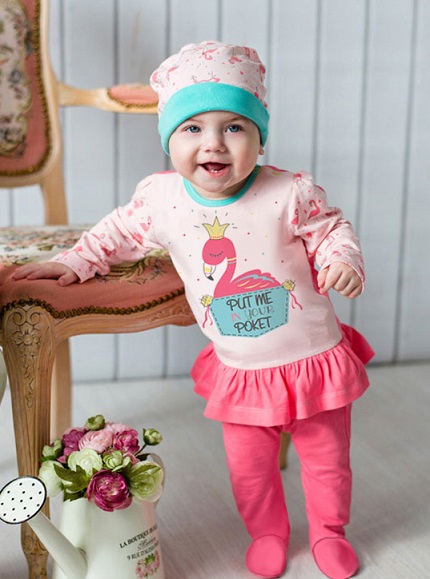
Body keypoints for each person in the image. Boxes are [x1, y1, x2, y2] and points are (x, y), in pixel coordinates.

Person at [14, 41, 374, 579]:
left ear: (259, 137)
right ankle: (268, 532)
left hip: (313, 361)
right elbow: (116, 234)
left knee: (327, 464)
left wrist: (342, 259)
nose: (214, 142)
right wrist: (75, 261)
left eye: (235, 127)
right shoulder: (162, 201)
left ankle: (328, 532)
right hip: (241, 370)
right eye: (192, 128)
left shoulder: (289, 192)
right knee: (249, 470)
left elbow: (331, 229)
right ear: (170, 139)